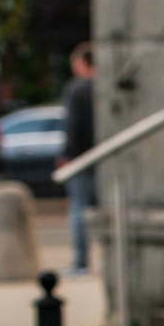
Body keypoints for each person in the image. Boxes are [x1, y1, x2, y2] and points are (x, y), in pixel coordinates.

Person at [56, 42, 96, 277]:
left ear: (83, 63)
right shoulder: (105, 85)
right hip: (105, 154)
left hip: (80, 157)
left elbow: (72, 125)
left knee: (79, 209)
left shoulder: (77, 89)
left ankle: (81, 261)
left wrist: (67, 155)